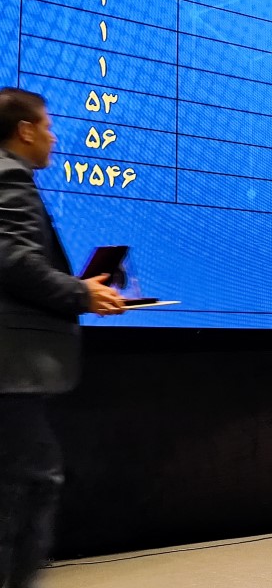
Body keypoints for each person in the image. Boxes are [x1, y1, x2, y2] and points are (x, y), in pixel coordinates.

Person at [0, 87, 125, 588]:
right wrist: (80, 293)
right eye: (48, 127)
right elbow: (12, 259)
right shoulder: (9, 175)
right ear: (25, 130)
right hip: (11, 370)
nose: (54, 138)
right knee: (29, 483)